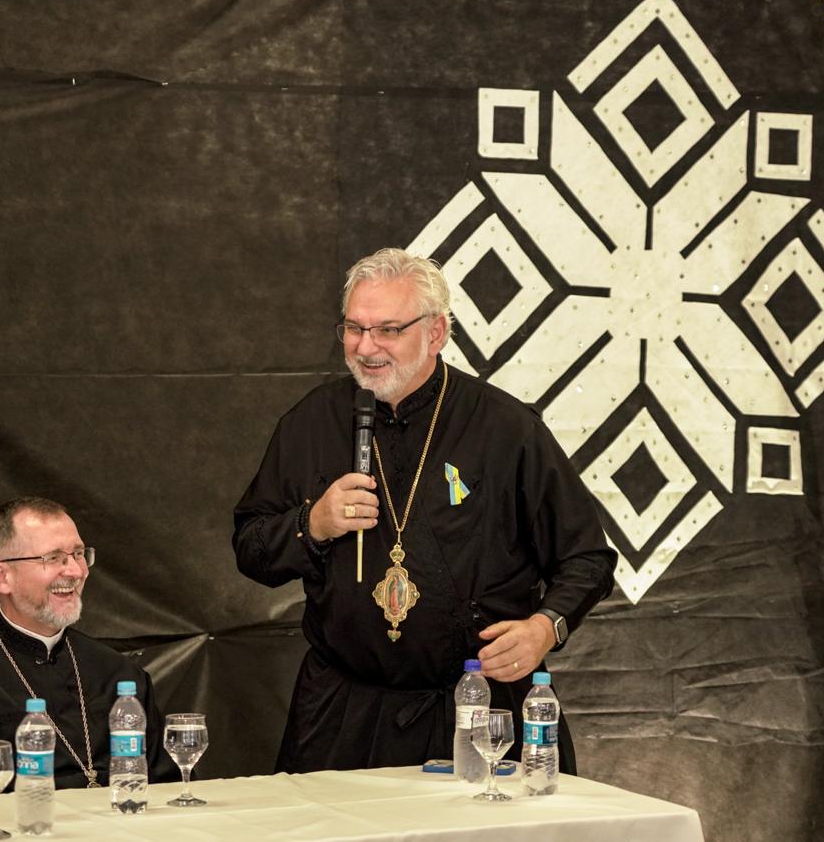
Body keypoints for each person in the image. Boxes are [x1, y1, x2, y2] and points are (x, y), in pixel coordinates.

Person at [233, 248, 617, 773]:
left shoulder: (505, 428)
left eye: (388, 330)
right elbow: (250, 548)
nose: (365, 346)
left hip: (479, 705)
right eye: (354, 328)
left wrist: (545, 627)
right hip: (345, 712)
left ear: (436, 332)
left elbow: (588, 559)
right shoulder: (310, 423)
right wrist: (312, 525)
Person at [0, 497, 173, 796]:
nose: (75, 571)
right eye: (52, 558)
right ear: (2, 577)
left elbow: (166, 784)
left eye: (78, 554)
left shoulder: (119, 672)